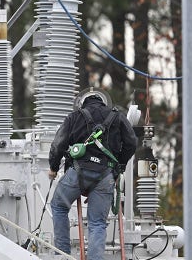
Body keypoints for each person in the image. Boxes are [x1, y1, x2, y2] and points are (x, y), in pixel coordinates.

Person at [48, 94, 138, 260]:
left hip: (78, 172)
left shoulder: (74, 117)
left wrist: (53, 167)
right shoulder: (117, 117)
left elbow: (58, 143)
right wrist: (120, 166)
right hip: (106, 175)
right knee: (97, 222)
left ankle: (62, 255)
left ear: (83, 104)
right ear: (103, 103)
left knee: (59, 206)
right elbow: (132, 143)